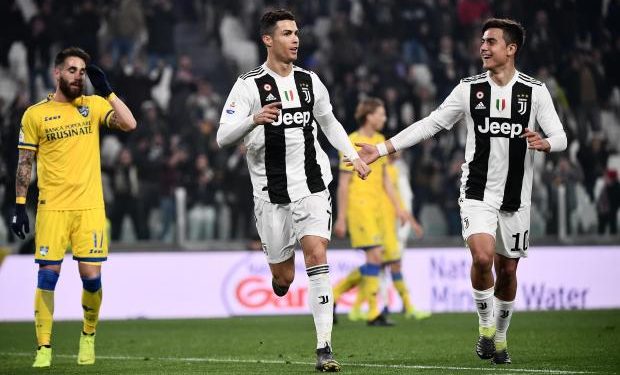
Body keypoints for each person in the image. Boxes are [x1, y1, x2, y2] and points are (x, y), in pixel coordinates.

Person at [354, 18, 567, 364]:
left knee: (508, 271)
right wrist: (380, 150)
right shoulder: (469, 90)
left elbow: (561, 136)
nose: (483, 47)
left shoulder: (535, 91)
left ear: (511, 49)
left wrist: (546, 143)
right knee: (483, 258)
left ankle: (500, 338)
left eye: (492, 42)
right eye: (482, 41)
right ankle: (485, 330)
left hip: (516, 196)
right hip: (476, 192)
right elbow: (431, 123)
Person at [216, 9, 370, 372]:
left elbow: (329, 123)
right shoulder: (248, 85)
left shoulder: (310, 81)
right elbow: (223, 137)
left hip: (313, 185)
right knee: (283, 277)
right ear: (267, 40)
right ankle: (279, 280)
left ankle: (324, 348)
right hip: (271, 194)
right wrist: (253, 120)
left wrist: (352, 156)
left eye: (296, 32)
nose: (295, 39)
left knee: (317, 254)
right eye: (286, 33)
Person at [11, 47, 137, 368]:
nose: (78, 76)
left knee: (91, 278)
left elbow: (130, 123)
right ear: (57, 73)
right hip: (52, 207)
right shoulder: (35, 114)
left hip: (89, 207)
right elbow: (25, 162)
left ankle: (88, 336)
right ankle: (43, 347)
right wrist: (19, 204)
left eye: (82, 71)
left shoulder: (93, 106)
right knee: (47, 278)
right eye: (71, 70)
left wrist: (107, 91)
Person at [333, 98, 408, 327]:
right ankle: (374, 313)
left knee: (377, 260)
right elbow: (344, 183)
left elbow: (386, 180)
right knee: (375, 256)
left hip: (377, 209)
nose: (384, 118)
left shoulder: (379, 141)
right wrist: (341, 217)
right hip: (359, 207)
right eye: (381, 114)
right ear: (369, 116)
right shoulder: (352, 141)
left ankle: (334, 294)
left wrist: (399, 208)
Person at [380, 151, 430, 321]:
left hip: (402, 225)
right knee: (387, 265)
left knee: (390, 265)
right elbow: (398, 201)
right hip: (393, 224)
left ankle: (396, 305)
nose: (400, 151)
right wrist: (412, 222)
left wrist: (412, 222)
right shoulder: (385, 168)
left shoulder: (400, 167)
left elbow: (406, 200)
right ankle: (391, 305)